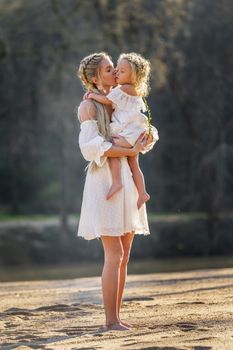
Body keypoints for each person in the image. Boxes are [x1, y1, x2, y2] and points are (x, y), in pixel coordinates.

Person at [76, 52, 158, 331]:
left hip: (128, 179)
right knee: (114, 255)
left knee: (125, 255)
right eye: (109, 69)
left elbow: (141, 130)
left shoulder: (123, 101)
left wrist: (146, 139)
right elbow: (90, 148)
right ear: (95, 78)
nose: (114, 72)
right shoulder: (89, 108)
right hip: (105, 182)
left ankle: (118, 316)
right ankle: (110, 321)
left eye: (115, 68)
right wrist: (128, 149)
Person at [84, 52, 157, 209]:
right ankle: (142, 192)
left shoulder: (123, 89)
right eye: (114, 68)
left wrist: (92, 95)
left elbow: (107, 100)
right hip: (131, 130)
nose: (116, 72)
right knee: (133, 163)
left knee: (111, 144)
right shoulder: (127, 89)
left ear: (133, 77)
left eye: (120, 71)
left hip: (128, 131)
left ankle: (117, 182)